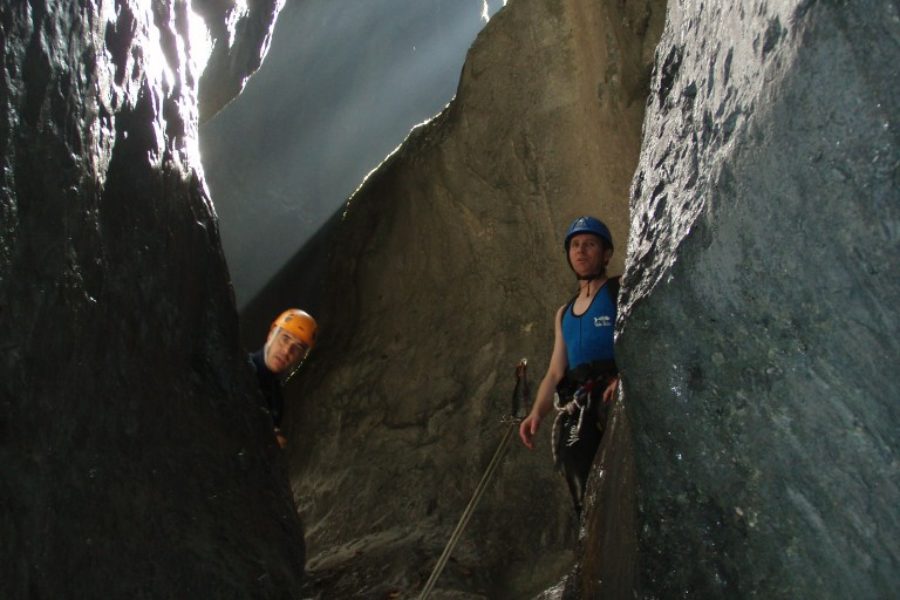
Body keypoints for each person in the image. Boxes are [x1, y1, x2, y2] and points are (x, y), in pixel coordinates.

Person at [519, 216, 620, 515]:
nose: (581, 251)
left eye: (590, 244)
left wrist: (626, 377)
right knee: (579, 475)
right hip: (579, 401)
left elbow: (642, 336)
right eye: (575, 245)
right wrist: (536, 413)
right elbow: (555, 372)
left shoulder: (619, 289)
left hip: (613, 387)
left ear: (606, 254)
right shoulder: (563, 313)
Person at [249, 308, 318, 448]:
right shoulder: (240, 367)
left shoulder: (277, 400)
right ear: (271, 335)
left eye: (297, 348)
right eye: (285, 339)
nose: (287, 351)